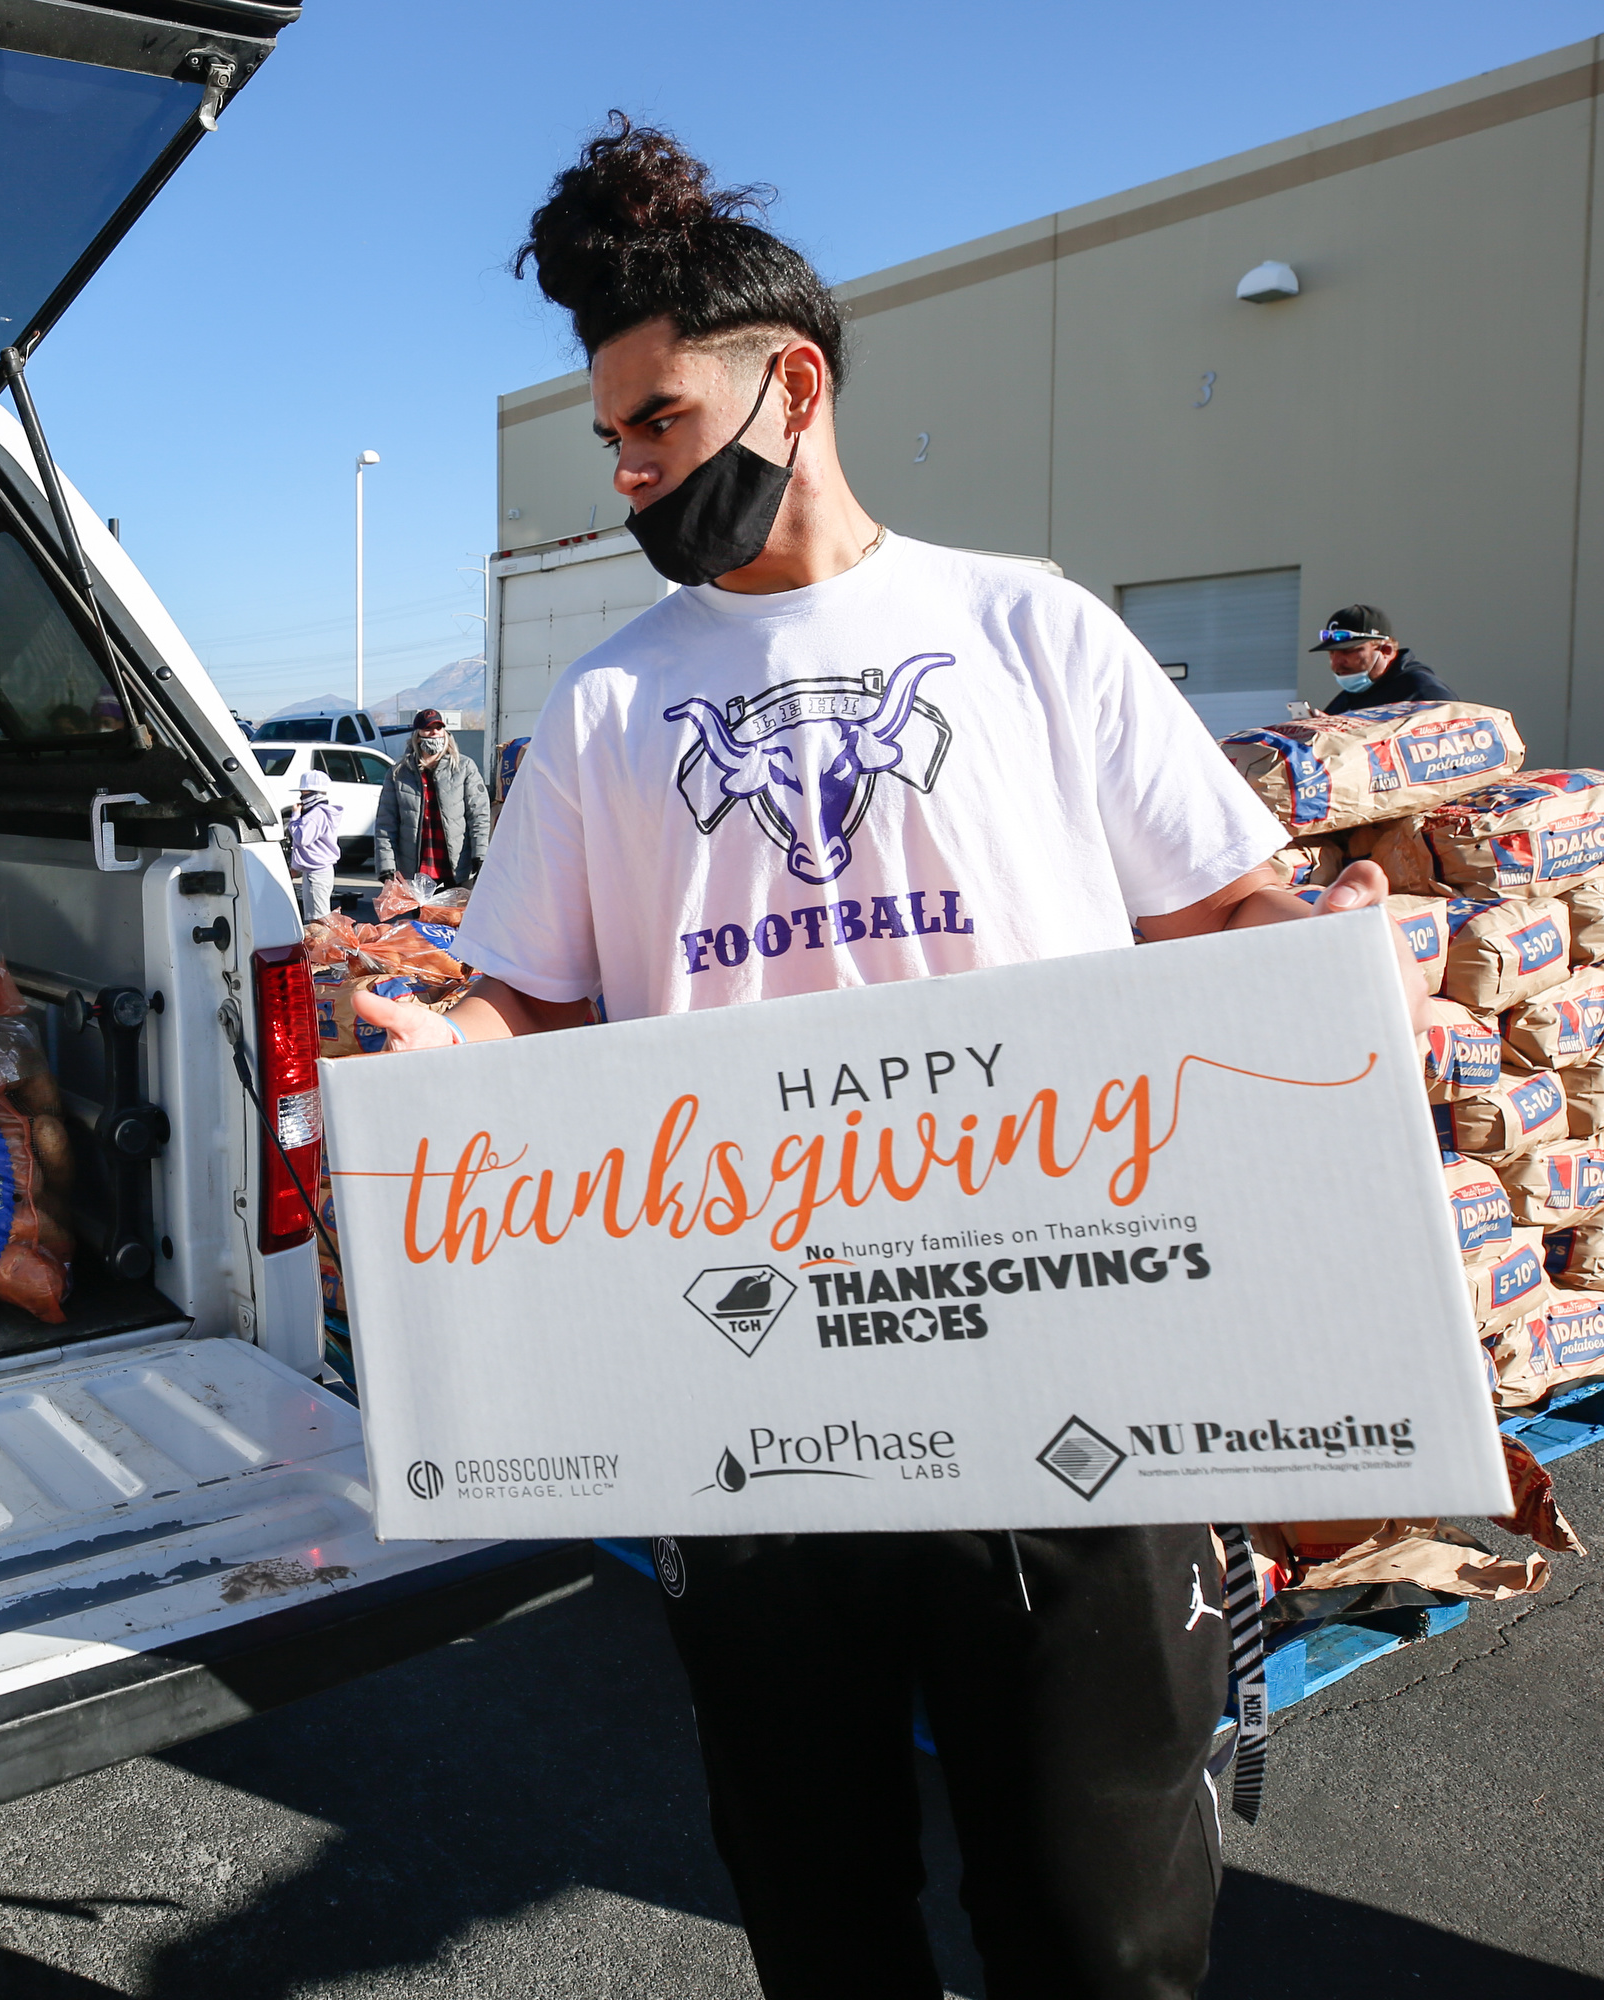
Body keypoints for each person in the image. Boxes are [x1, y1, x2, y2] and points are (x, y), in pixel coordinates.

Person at [350, 115, 1401, 2000]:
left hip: (1072, 1375)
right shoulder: (607, 704)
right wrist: (451, 1041)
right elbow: (532, 996)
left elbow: (1227, 919)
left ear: (793, 390)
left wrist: (1331, 983)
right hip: (751, 1390)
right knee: (822, 1913)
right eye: (612, 440)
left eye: (657, 425)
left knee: (1099, 1926)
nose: (628, 475)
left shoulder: (1028, 629)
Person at [373, 707, 490, 897]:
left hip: (458, 871)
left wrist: (481, 855)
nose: (434, 733)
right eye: (428, 729)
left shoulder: (464, 767)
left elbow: (479, 816)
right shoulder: (398, 773)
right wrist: (387, 867)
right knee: (419, 927)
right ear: (417, 736)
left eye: (438, 728)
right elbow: (386, 825)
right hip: (416, 875)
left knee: (458, 925)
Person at [1313, 604, 1453, 713]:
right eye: (1331, 653)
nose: (1337, 663)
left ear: (1386, 650)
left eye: (1348, 651)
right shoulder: (1347, 698)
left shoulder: (1421, 691)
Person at [284, 771, 341, 923]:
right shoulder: (321, 813)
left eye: (304, 792)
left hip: (316, 874)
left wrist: (295, 817)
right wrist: (295, 868)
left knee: (318, 920)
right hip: (319, 871)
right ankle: (324, 945)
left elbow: (302, 838)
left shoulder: (316, 814)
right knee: (318, 916)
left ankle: (324, 946)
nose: (302, 796)